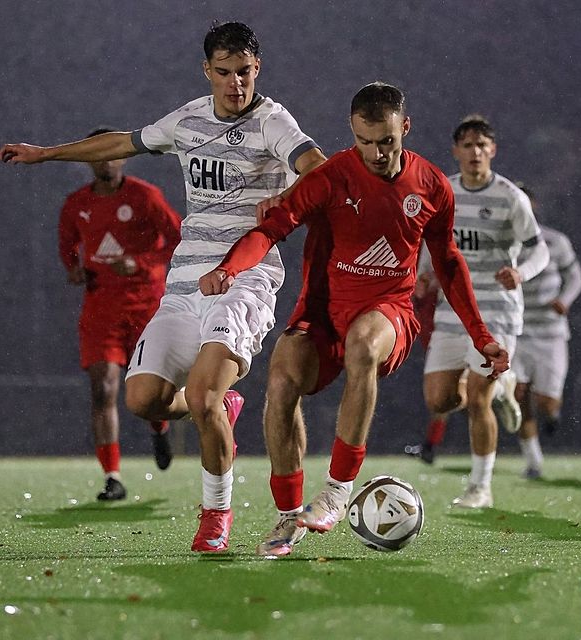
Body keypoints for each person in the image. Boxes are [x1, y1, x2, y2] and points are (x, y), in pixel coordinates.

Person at [0, 22, 326, 552]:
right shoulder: (189, 118)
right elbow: (124, 141)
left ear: (256, 69)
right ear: (207, 71)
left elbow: (318, 168)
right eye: (224, 72)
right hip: (185, 283)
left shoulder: (272, 122)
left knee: (201, 394)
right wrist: (47, 153)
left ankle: (216, 516)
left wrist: (288, 202)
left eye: (244, 72)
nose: (235, 83)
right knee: (143, 399)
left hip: (246, 280)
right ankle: (219, 407)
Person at [197, 82, 510, 557]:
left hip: (390, 314)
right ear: (352, 131)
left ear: (404, 128)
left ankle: (339, 490)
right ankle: (289, 518)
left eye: (387, 141)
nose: (377, 153)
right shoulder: (329, 177)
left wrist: (481, 336)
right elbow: (270, 230)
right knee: (281, 378)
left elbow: (447, 262)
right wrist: (228, 268)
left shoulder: (431, 185)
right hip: (323, 315)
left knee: (364, 343)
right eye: (366, 142)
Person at [407, 115, 550, 508]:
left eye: (482, 145)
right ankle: (504, 388)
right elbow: (427, 242)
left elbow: (540, 248)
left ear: (493, 151)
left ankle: (480, 487)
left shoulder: (509, 197)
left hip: (497, 313)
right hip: (453, 312)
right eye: (467, 146)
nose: (475, 152)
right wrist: (422, 276)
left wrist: (520, 272)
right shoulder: (443, 191)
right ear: (456, 151)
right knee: (438, 400)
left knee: (476, 398)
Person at [58, 127, 182, 500]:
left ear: (123, 157)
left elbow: (178, 239)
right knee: (103, 388)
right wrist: (73, 269)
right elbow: (67, 246)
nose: (105, 160)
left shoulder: (145, 196)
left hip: (147, 305)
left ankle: (159, 429)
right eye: (96, 154)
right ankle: (112, 477)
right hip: (101, 308)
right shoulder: (76, 204)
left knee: (151, 391)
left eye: (111, 153)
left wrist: (141, 263)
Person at [511, 184, 581, 479]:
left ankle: (552, 415)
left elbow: (576, 276)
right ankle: (534, 461)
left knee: (546, 403)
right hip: (515, 331)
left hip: (551, 333)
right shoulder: (501, 242)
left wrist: (564, 300)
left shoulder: (555, 241)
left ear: (534, 207)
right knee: (518, 396)